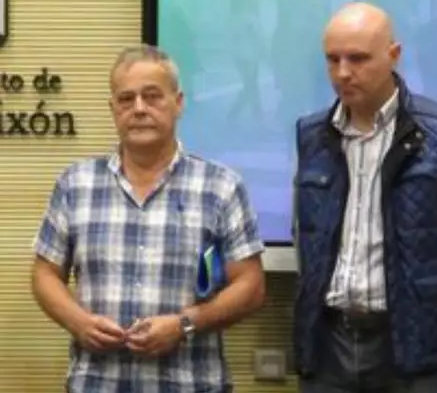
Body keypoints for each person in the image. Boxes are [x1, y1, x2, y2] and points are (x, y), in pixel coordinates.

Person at [30, 45, 267, 392]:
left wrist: (184, 324)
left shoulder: (221, 187)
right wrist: (77, 322)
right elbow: (44, 274)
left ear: (178, 102)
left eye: (152, 96)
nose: (139, 108)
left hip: (191, 383)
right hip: (96, 382)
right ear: (113, 109)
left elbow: (251, 286)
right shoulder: (75, 184)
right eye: (126, 99)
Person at [292, 2, 437, 393]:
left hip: (409, 351)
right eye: (332, 59)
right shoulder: (312, 136)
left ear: (394, 55)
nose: (343, 72)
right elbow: (305, 242)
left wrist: (429, 318)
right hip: (327, 346)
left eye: (358, 58)